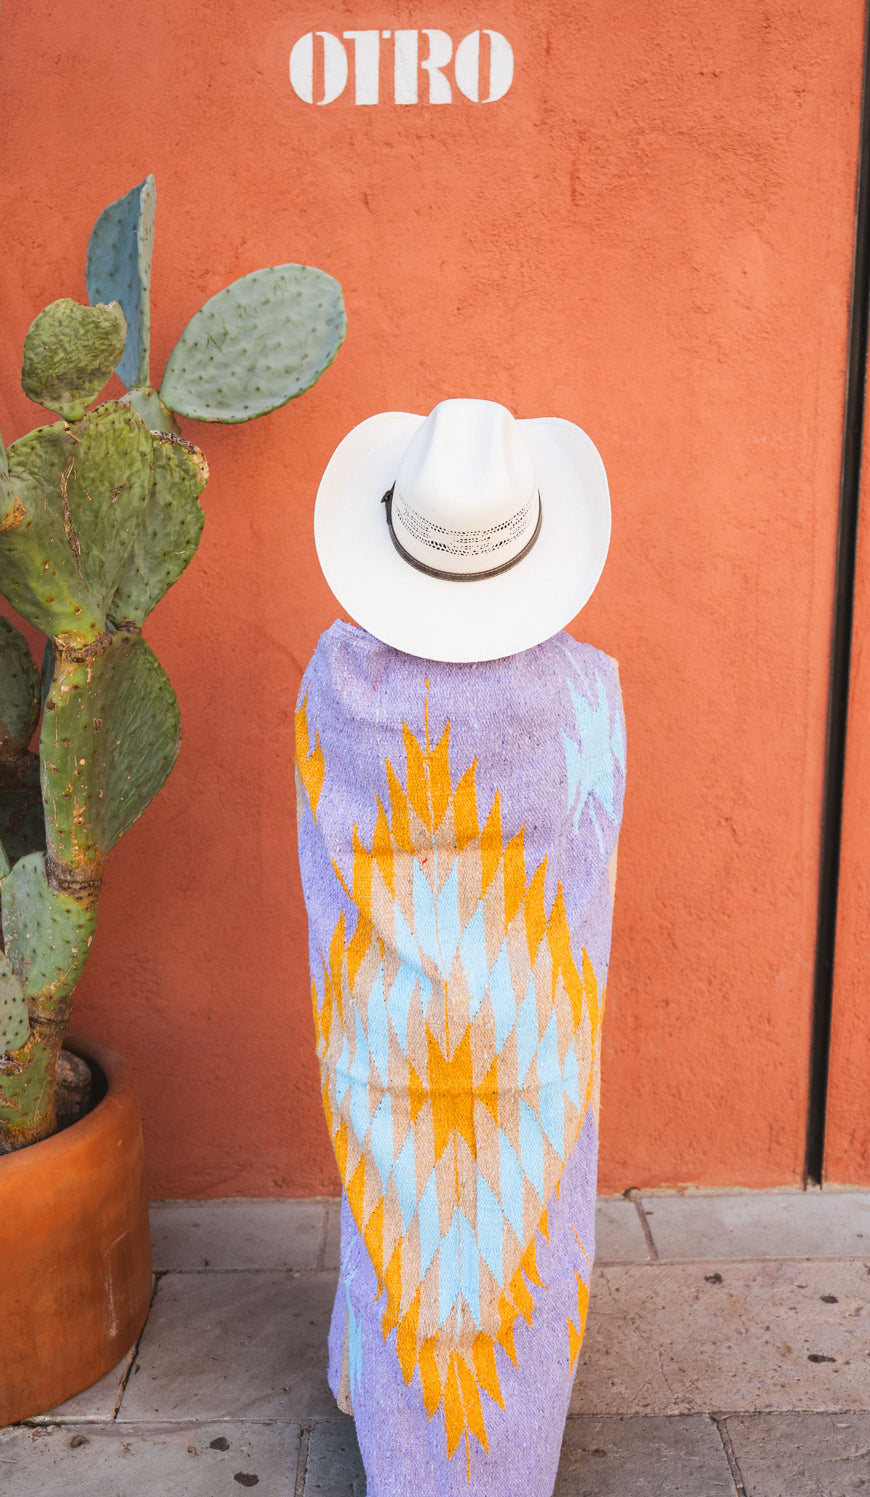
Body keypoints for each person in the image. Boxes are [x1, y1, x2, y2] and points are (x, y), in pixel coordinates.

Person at [295, 398, 625, 1495]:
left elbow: (330, 870)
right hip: (533, 1046)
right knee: (514, 1214)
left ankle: (401, 1415)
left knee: (395, 1202)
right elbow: (574, 882)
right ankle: (493, 1448)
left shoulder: (334, 686)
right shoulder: (585, 695)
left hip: (380, 1036)